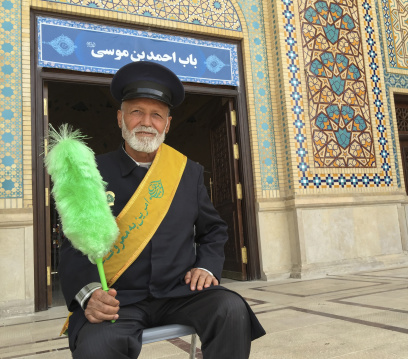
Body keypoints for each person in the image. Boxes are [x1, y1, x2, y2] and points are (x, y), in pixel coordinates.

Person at [59, 61, 265, 359]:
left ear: (167, 124)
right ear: (120, 118)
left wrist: (206, 266)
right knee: (96, 347)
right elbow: (73, 242)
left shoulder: (188, 172)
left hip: (179, 293)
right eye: (136, 112)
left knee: (231, 309)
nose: (147, 121)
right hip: (119, 299)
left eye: (157, 114)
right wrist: (90, 293)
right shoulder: (91, 172)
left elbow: (214, 230)